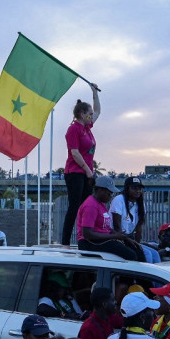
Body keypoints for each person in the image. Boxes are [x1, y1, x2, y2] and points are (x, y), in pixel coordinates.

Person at [61, 83, 100, 248]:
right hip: (75, 172)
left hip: (86, 173)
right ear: (81, 114)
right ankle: (65, 243)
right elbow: (75, 153)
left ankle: (85, 238)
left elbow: (98, 111)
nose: (92, 116)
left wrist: (94, 93)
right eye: (89, 114)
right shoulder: (73, 129)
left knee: (87, 206)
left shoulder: (87, 128)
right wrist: (87, 170)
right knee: (75, 206)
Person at [77, 176, 144, 261]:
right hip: (89, 243)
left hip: (102, 240)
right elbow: (87, 234)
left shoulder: (101, 204)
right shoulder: (91, 206)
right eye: (109, 193)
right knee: (131, 255)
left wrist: (126, 238)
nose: (111, 196)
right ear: (100, 190)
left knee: (138, 252)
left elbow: (107, 228)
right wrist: (114, 236)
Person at [110, 177, 160, 263]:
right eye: (134, 188)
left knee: (155, 254)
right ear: (127, 189)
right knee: (147, 254)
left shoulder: (140, 203)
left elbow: (139, 228)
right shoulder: (119, 200)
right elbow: (116, 227)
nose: (138, 191)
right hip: (116, 237)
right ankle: (145, 275)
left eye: (139, 188)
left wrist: (137, 244)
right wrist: (131, 243)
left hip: (128, 238)